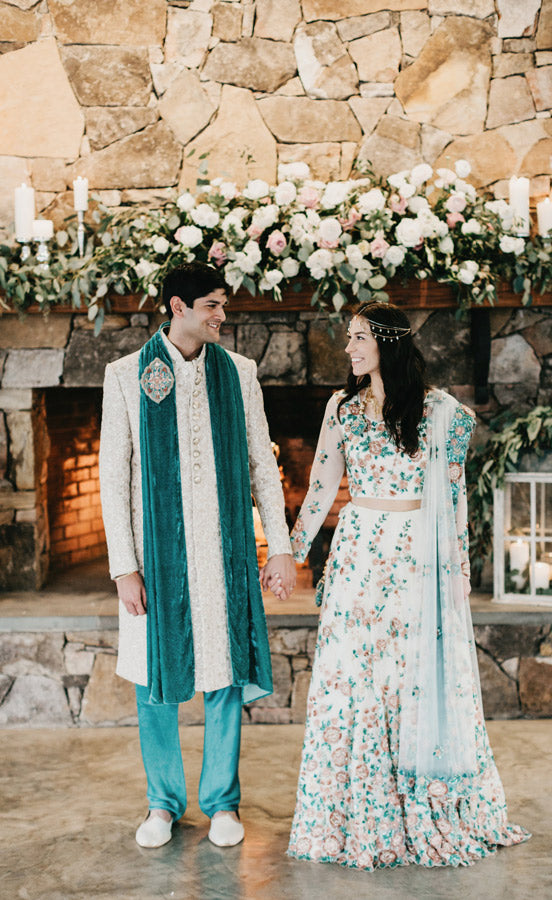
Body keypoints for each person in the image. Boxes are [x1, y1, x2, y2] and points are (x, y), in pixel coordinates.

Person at [285, 302, 530, 870]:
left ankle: (422, 806)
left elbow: (455, 497)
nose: (348, 349)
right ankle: (355, 813)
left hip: (415, 556)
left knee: (408, 678)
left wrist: (460, 572)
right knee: (354, 679)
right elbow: (321, 487)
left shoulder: (441, 411)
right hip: (358, 553)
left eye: (358, 338)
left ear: (388, 342)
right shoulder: (340, 408)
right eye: (348, 338)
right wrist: (288, 556)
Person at [99, 262, 295, 850]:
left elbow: (263, 462)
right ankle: (162, 803)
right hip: (153, 562)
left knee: (224, 674)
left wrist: (279, 547)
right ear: (178, 306)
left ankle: (222, 803)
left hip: (221, 552)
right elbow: (113, 478)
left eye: (223, 304)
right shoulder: (125, 375)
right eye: (213, 304)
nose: (222, 315)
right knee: (153, 678)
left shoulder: (240, 373)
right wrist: (123, 568)